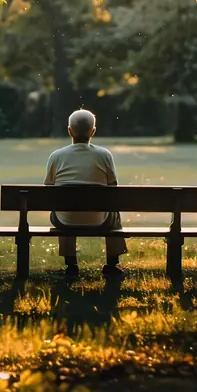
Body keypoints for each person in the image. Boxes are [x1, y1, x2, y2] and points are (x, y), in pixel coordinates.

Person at [44, 109, 127, 280]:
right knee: (114, 212)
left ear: (69, 131)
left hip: (65, 221)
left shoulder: (56, 156)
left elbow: (48, 188)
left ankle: (71, 265)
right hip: (100, 220)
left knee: (62, 207)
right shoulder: (104, 155)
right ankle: (112, 264)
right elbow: (113, 186)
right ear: (93, 132)